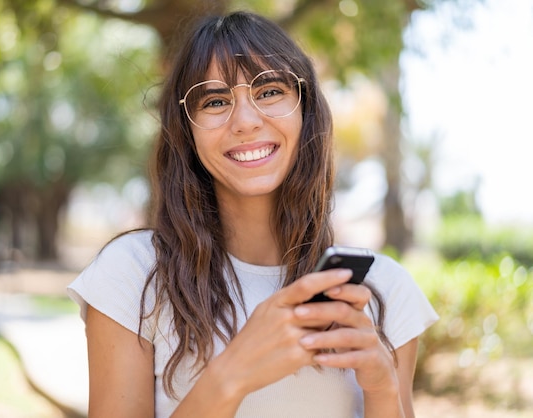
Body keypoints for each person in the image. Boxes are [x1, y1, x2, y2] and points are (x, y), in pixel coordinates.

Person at [68, 10, 438, 418]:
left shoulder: (383, 290)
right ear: (186, 132)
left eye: (269, 92)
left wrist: (383, 388)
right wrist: (234, 373)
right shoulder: (134, 275)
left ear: (305, 108)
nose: (245, 121)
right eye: (215, 100)